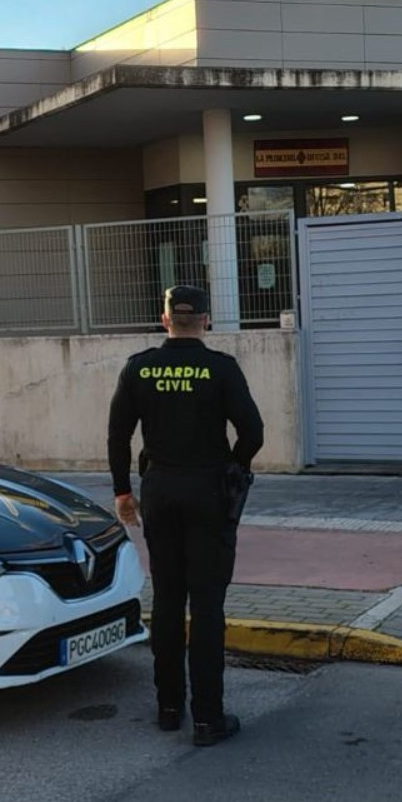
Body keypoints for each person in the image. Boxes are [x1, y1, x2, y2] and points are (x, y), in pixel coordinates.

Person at [107, 285, 264, 747]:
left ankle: (169, 707)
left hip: (159, 492)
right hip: (208, 491)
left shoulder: (139, 367)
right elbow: (253, 432)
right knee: (208, 605)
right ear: (206, 321)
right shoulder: (221, 369)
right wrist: (233, 466)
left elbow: (118, 435)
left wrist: (122, 492)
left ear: (165, 320)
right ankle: (207, 718)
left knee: (169, 601)